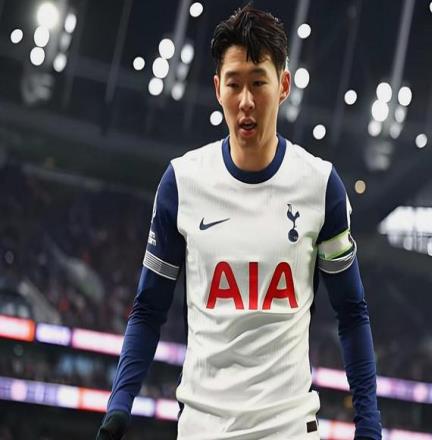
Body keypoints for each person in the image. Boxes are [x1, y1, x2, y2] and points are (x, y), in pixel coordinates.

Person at [97, 4, 381, 440]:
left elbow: (352, 312)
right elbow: (148, 309)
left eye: (258, 83)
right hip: (203, 428)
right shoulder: (182, 183)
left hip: (288, 429)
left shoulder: (321, 185)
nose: (246, 101)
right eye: (234, 84)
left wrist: (369, 425)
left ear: (283, 85)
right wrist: (118, 407)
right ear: (218, 88)